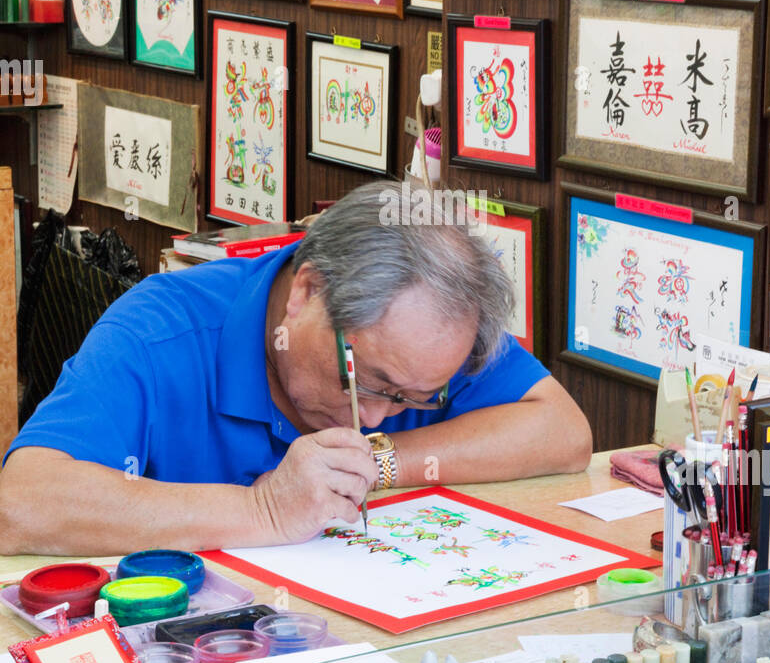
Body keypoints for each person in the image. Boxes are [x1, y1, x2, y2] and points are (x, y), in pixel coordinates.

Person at [0, 182, 591, 554]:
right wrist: (264, 510)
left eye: (413, 399)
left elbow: (565, 434)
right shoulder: (160, 331)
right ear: (306, 292)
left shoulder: (429, 338)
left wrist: (376, 464)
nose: (377, 415)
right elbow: (20, 503)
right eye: (370, 383)